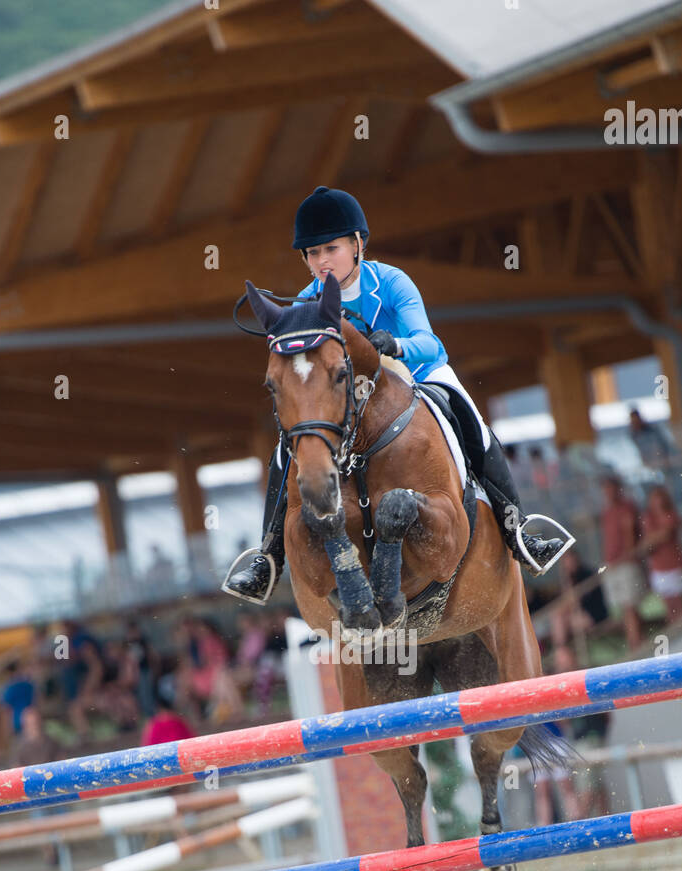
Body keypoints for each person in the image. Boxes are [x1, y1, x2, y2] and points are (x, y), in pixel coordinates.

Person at [223, 185, 574, 602]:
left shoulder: (390, 282)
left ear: (357, 244)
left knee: (468, 416)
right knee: (288, 446)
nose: (321, 262)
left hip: (416, 375)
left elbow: (431, 343)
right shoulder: (305, 303)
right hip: (347, 396)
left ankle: (516, 526)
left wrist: (398, 346)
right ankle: (269, 556)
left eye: (330, 249)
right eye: (312, 254)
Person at [599, 474, 645, 651]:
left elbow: (629, 536)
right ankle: (633, 641)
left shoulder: (626, 508)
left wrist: (626, 555)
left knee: (630, 605)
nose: (607, 493)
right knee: (624, 607)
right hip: (614, 564)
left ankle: (636, 643)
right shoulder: (607, 512)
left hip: (625, 562)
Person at [641, 485, 682, 625]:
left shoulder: (670, 515)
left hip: (674, 565)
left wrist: (654, 538)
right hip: (658, 568)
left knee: (679, 605)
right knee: (669, 608)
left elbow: (664, 535)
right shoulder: (648, 518)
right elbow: (647, 543)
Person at [629, 405, 673, 471]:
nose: (636, 422)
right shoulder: (634, 435)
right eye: (634, 420)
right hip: (650, 465)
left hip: (662, 461)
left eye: (636, 419)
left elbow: (662, 444)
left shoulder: (652, 431)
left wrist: (665, 458)